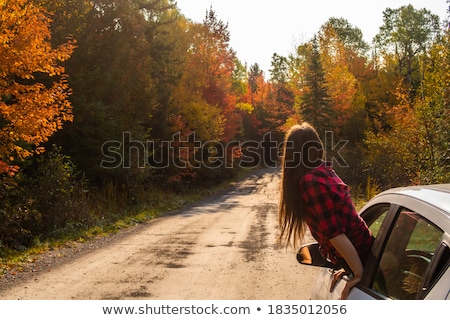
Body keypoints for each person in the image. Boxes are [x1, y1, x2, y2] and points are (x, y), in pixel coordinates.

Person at [278, 122, 374, 300]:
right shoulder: (323, 171)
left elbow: (334, 233)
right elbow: (344, 223)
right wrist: (348, 267)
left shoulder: (311, 181)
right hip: (363, 249)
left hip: (363, 254)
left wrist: (358, 272)